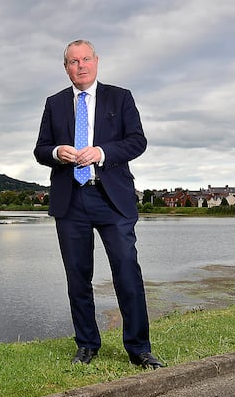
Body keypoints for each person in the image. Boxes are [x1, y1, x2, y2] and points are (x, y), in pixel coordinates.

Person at [34, 39, 163, 368]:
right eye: (73, 61)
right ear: (66, 68)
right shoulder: (54, 103)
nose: (80, 66)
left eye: (85, 59)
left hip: (113, 199)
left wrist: (102, 153)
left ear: (96, 61)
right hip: (71, 199)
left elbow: (137, 141)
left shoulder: (120, 97)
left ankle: (139, 349)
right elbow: (41, 149)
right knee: (78, 278)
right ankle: (87, 345)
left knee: (126, 272)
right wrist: (55, 153)